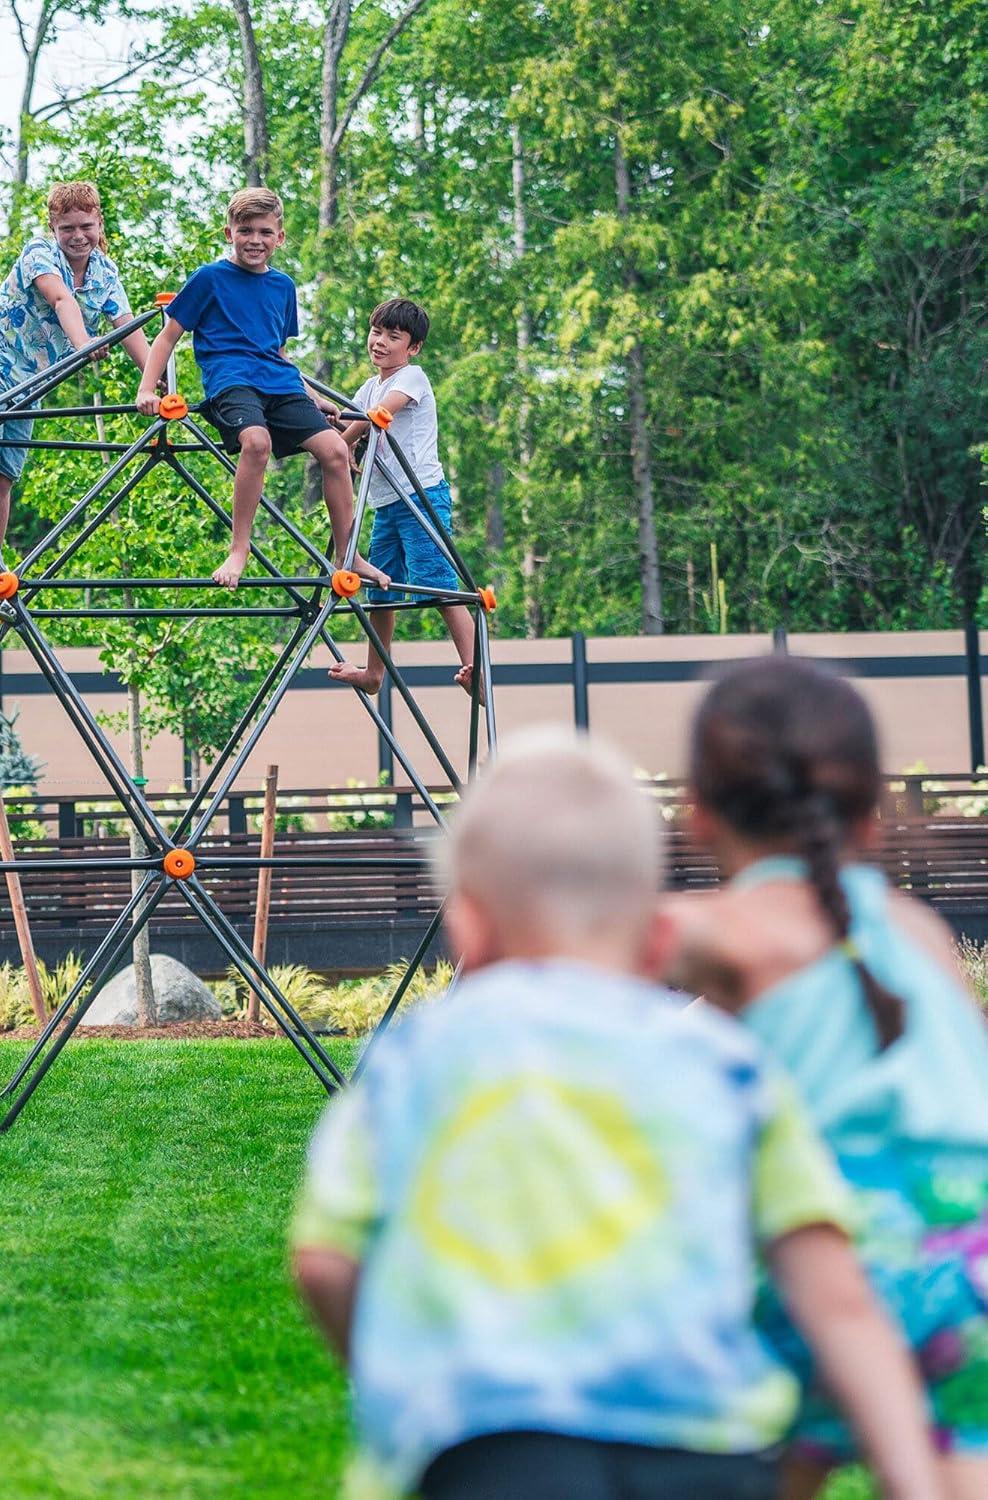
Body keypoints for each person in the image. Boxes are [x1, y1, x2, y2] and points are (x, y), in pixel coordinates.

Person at [291, 728, 941, 1500]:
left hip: (491, 1454)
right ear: (661, 930)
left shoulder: (415, 1057)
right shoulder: (723, 1060)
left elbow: (323, 1260)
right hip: (709, 1453)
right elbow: (835, 1292)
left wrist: (403, 1373)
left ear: (467, 924)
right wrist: (914, 1479)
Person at [671, 656, 988, 1499]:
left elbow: (581, 941)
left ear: (696, 814)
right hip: (973, 1244)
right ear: (873, 815)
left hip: (839, 1237)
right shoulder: (918, 930)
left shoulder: (724, 929)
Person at [135, 186, 387, 590]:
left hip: (280, 383)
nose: (256, 240)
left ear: (280, 237)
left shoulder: (283, 287)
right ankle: (240, 547)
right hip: (231, 381)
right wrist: (147, 389)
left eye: (265, 232)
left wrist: (313, 396)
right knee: (256, 442)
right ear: (228, 233)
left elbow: (279, 352)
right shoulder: (209, 278)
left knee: (337, 450)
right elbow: (168, 336)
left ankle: (348, 552)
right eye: (246, 230)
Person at [0, 180, 153, 589]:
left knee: (4, 476)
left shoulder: (105, 272)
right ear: (53, 228)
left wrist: (156, 378)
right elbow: (62, 301)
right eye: (68, 229)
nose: (78, 237)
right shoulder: (39, 253)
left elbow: (126, 325)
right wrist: (83, 345)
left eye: (86, 227)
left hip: (30, 382)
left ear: (99, 224)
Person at [323, 299, 477, 696]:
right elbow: (349, 415)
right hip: (387, 504)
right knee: (379, 589)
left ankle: (476, 671)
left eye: (394, 337)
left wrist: (339, 448)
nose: (381, 343)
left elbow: (377, 416)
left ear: (413, 348)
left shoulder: (413, 378)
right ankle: (375, 674)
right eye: (377, 332)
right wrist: (336, 435)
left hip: (421, 497)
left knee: (437, 586)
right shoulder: (369, 385)